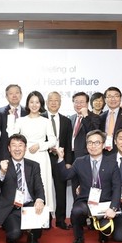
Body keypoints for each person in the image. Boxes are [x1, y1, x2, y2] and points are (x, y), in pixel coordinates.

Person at [57, 130, 122, 243]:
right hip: (86, 201)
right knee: (76, 211)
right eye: (90, 143)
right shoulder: (79, 162)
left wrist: (113, 207)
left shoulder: (112, 163)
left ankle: (103, 233)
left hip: (104, 203)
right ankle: (79, 237)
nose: (93, 146)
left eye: (97, 143)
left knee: (107, 230)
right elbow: (65, 176)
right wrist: (61, 158)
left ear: (103, 145)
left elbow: (117, 187)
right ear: (86, 145)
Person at [8, 91, 56, 215]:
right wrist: (11, 117)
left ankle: (44, 213)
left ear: (41, 104)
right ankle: (24, 212)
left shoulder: (46, 121)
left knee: (42, 184)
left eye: (37, 102)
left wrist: (40, 145)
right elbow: (11, 135)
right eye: (31, 102)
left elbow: (53, 140)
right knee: (26, 183)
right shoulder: (21, 120)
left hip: (41, 156)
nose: (34, 105)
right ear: (27, 104)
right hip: (25, 155)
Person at [0, 134, 46, 243]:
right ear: (9, 148)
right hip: (11, 209)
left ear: (25, 148)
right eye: (14, 145)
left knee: (44, 214)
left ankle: (32, 236)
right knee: (14, 235)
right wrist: (2, 171)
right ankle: (16, 230)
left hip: (29, 205)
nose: (17, 149)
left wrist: (39, 199)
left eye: (20, 145)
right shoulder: (3, 164)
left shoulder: (33, 165)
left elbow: (39, 186)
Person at [44, 92, 73, 229]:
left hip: (60, 159)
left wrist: (68, 162)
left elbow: (68, 143)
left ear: (60, 103)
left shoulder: (66, 121)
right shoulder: (40, 118)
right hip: (44, 158)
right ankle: (46, 220)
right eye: (51, 100)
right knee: (44, 189)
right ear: (46, 102)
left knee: (61, 191)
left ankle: (60, 220)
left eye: (57, 100)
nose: (54, 102)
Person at [0, 84, 27, 161]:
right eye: (11, 93)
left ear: (21, 95)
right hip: (5, 151)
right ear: (6, 97)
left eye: (17, 93)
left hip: (26, 152)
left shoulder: (28, 111)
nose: (14, 95)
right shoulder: (0, 112)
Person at [99, 86, 122, 153]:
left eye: (116, 96)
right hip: (104, 152)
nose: (113, 99)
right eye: (109, 96)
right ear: (105, 100)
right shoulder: (101, 116)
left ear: (120, 98)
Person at [70, 92, 100, 160]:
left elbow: (93, 133)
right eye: (76, 102)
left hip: (86, 156)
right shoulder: (71, 118)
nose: (78, 105)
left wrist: (86, 116)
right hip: (71, 156)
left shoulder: (95, 117)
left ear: (87, 103)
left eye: (82, 102)